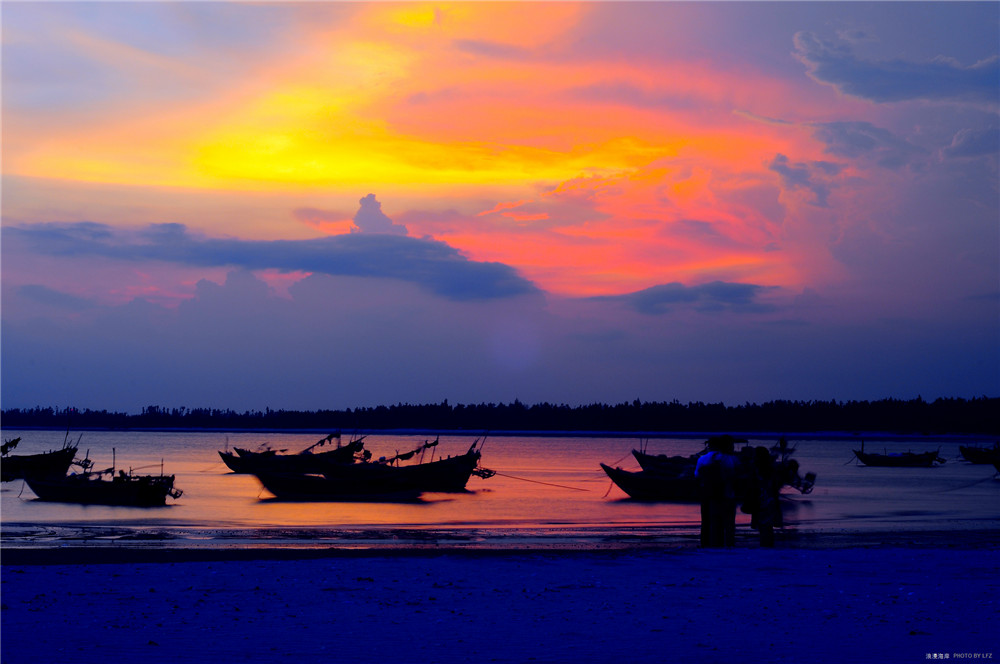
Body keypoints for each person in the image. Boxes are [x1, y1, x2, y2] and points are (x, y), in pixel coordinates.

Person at [694, 436, 739, 547]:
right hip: (727, 494)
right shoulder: (731, 459)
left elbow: (697, 475)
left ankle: (707, 544)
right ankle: (728, 544)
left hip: (708, 494)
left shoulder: (702, 458)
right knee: (728, 523)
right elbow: (738, 475)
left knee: (707, 521)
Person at [749, 446, 782, 547]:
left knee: (763, 525)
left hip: (760, 499)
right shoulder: (771, 469)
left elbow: (753, 486)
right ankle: (768, 544)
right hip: (769, 499)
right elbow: (775, 486)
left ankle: (765, 544)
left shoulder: (756, 469)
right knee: (768, 525)